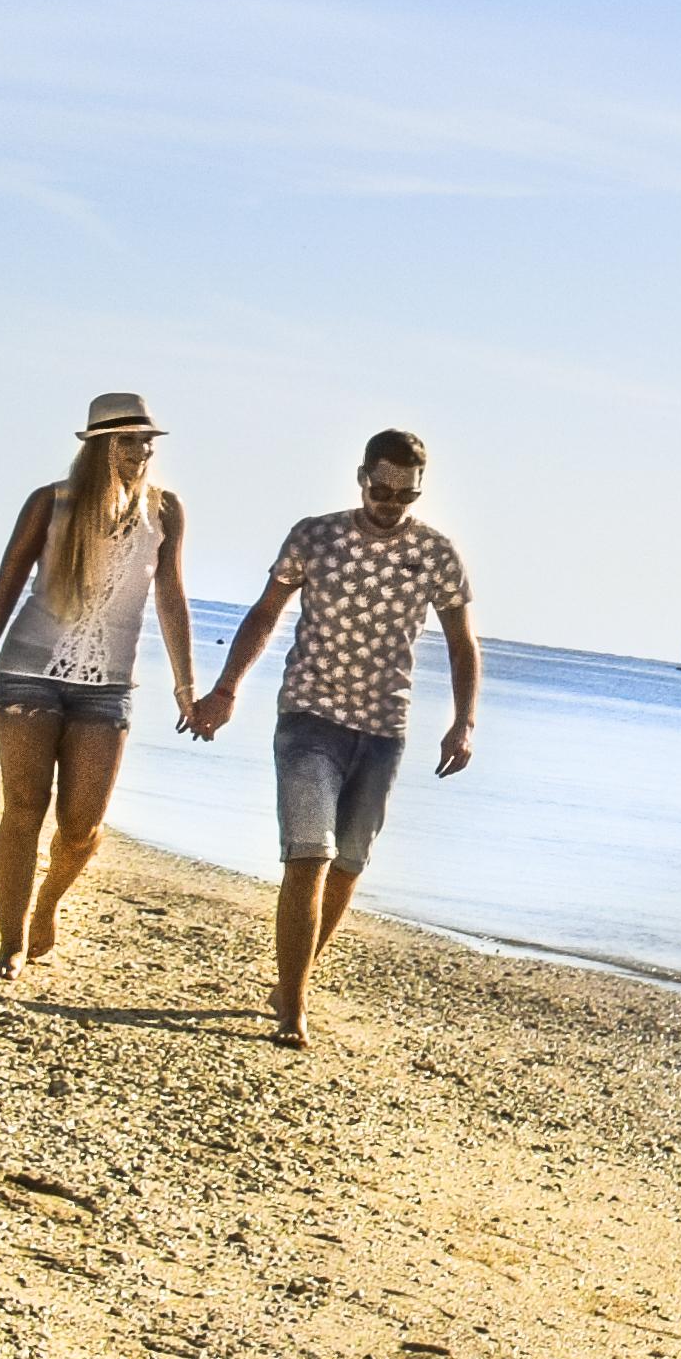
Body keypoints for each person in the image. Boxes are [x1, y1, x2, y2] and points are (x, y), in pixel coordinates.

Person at [186, 427, 478, 1048]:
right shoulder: (314, 535)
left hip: (383, 730)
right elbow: (266, 613)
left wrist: (464, 720)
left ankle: (293, 977)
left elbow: (461, 642)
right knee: (308, 855)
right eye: (381, 486)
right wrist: (227, 688)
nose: (390, 501)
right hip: (308, 718)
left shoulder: (437, 553)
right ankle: (293, 1004)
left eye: (405, 493)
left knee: (347, 864)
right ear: (361, 477)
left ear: (418, 490)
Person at [0, 390, 200, 985]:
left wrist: (186, 686)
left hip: (108, 688)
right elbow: (7, 584)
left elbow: (170, 597)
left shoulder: (164, 512)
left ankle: (47, 905)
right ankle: (11, 941)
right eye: (130, 440)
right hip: (26, 676)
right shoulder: (51, 504)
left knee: (82, 827)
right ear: (100, 447)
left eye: (147, 441)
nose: (142, 450)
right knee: (24, 809)